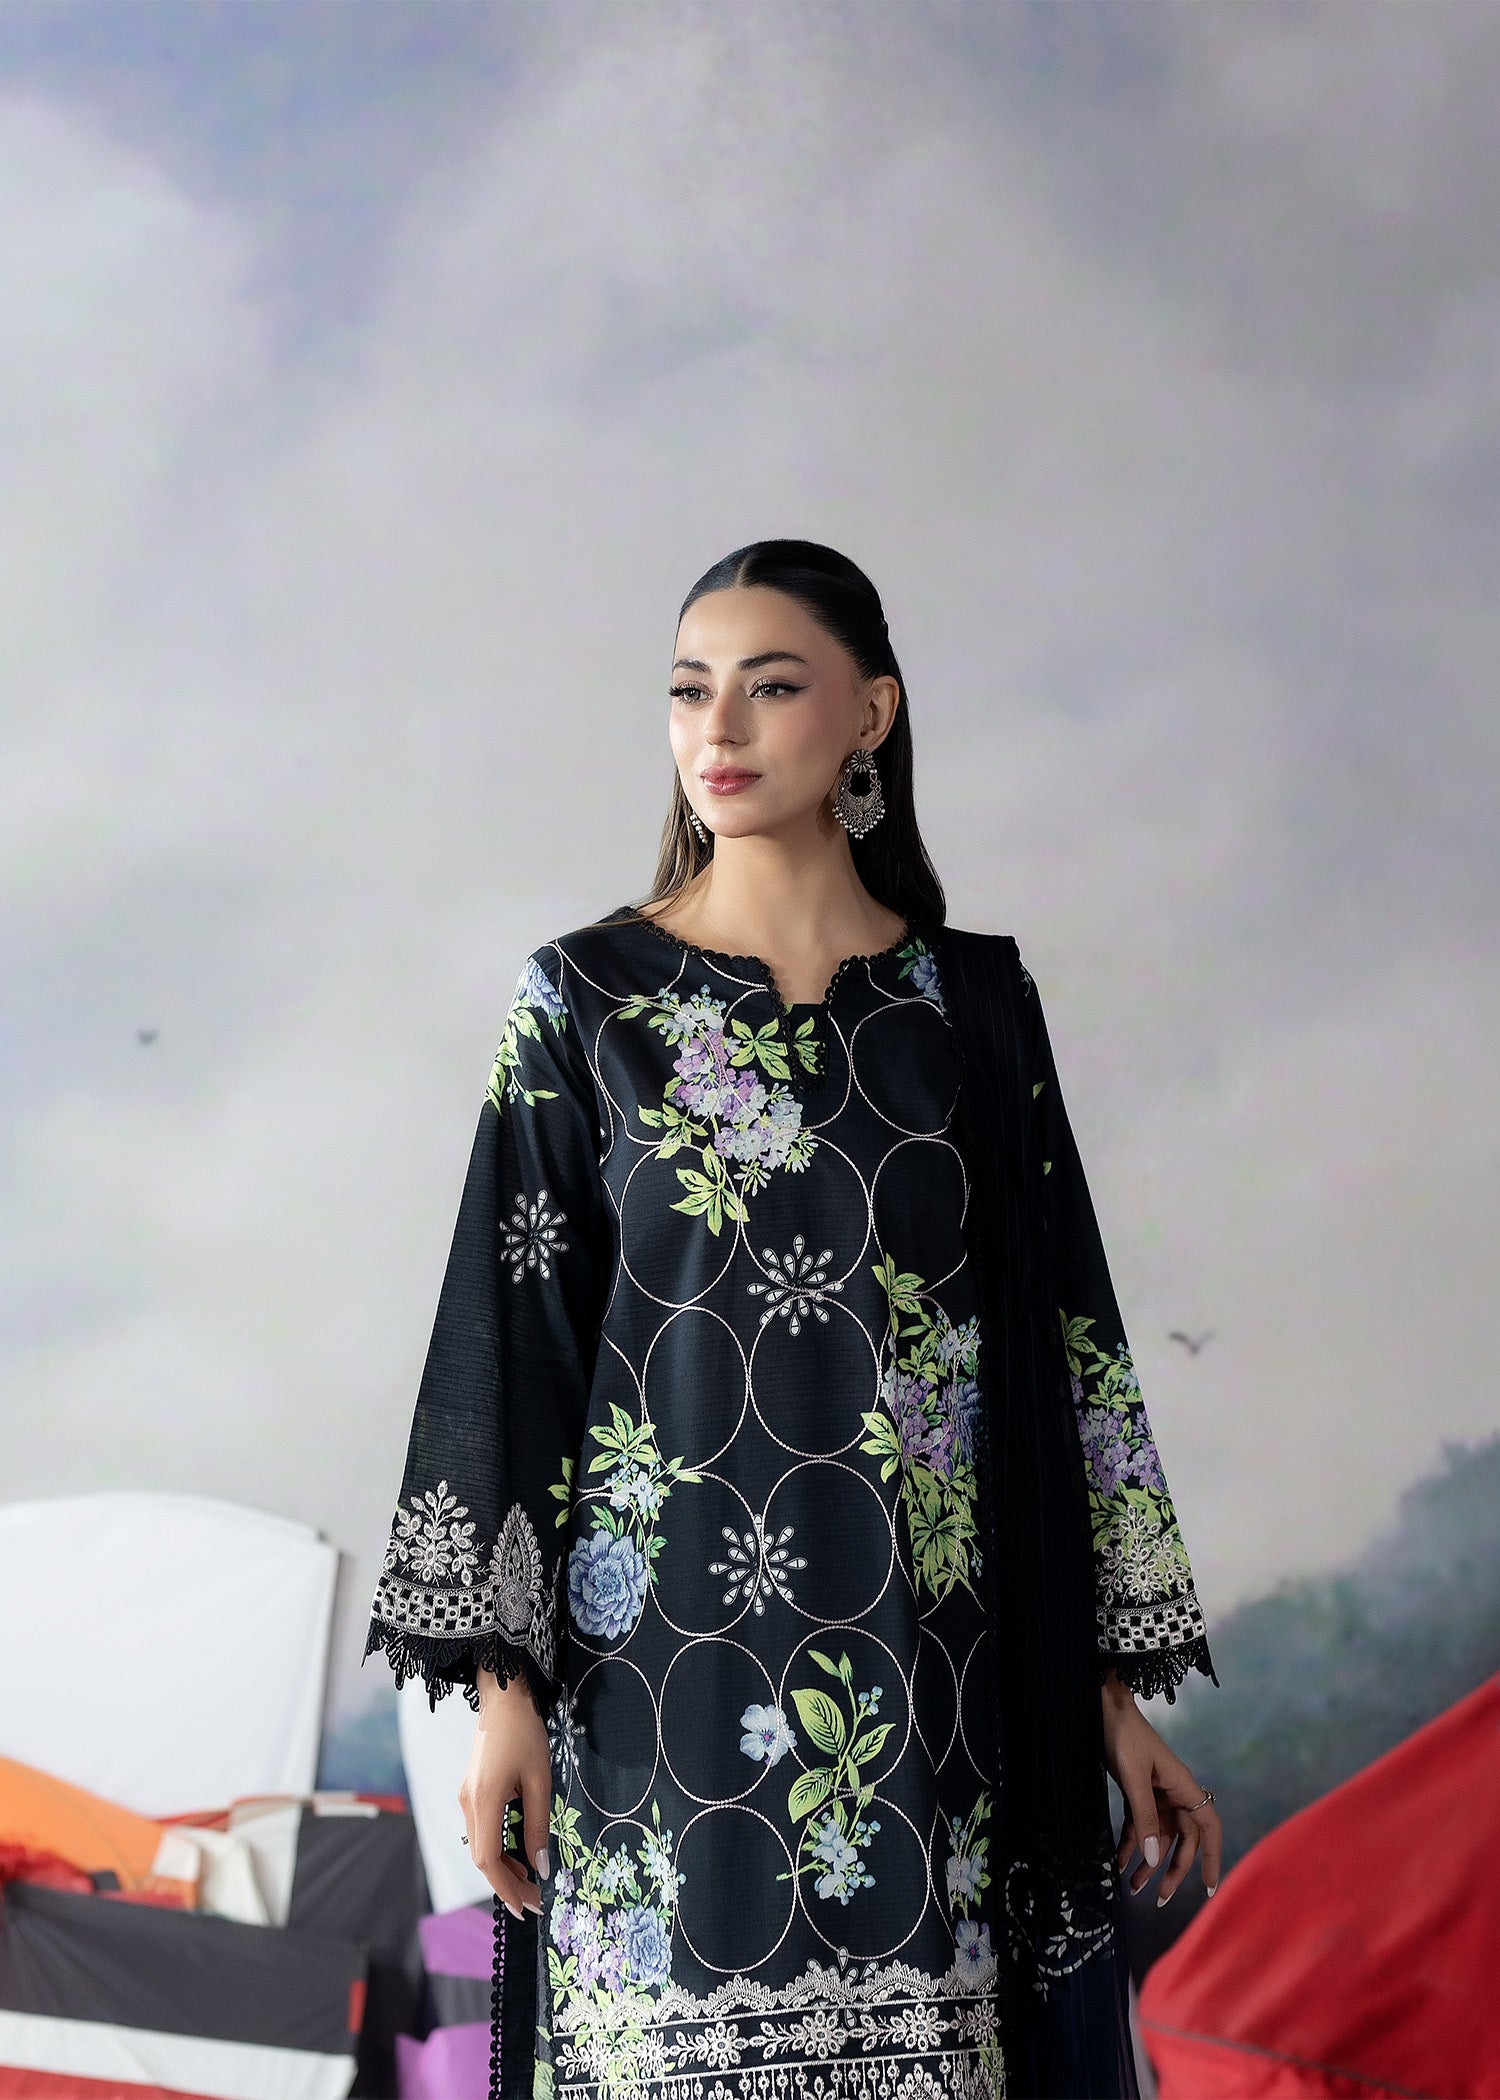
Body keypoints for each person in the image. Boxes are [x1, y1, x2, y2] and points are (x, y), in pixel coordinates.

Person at [364, 541, 1221, 2100]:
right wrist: (505, 1701)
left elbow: (1063, 1354)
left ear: (870, 715)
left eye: (770, 687)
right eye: (690, 690)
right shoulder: (584, 1003)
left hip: (942, 1688)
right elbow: (514, 1336)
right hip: (661, 1692)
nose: (720, 728)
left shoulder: (974, 1010)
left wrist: (1101, 1699)